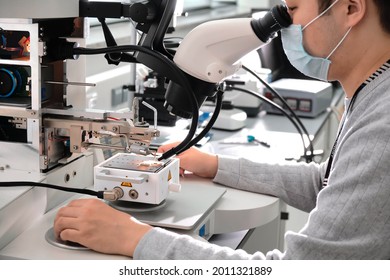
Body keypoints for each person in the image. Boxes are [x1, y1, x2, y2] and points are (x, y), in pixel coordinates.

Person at [54, 0, 390, 259]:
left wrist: (135, 239)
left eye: (292, 10)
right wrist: (214, 165)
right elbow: (325, 182)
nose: (287, 25)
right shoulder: (373, 91)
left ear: (350, 8)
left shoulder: (382, 122)